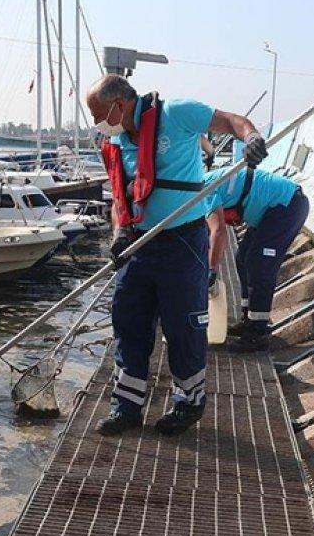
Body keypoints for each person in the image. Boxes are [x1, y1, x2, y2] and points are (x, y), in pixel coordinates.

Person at [87, 74, 267, 436]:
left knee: (183, 325)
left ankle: (189, 402)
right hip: (138, 242)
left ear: (118, 105)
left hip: (182, 242)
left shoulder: (178, 113)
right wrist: (119, 233)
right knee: (127, 319)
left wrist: (252, 138)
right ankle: (127, 406)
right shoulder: (119, 142)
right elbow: (119, 198)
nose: (97, 125)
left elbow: (233, 121)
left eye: (98, 114)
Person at [203, 165, 309, 351]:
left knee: (259, 265)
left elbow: (218, 232)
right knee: (242, 258)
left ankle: (257, 333)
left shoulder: (204, 192)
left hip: (287, 205)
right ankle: (249, 319)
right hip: (272, 208)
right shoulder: (202, 185)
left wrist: (211, 271)